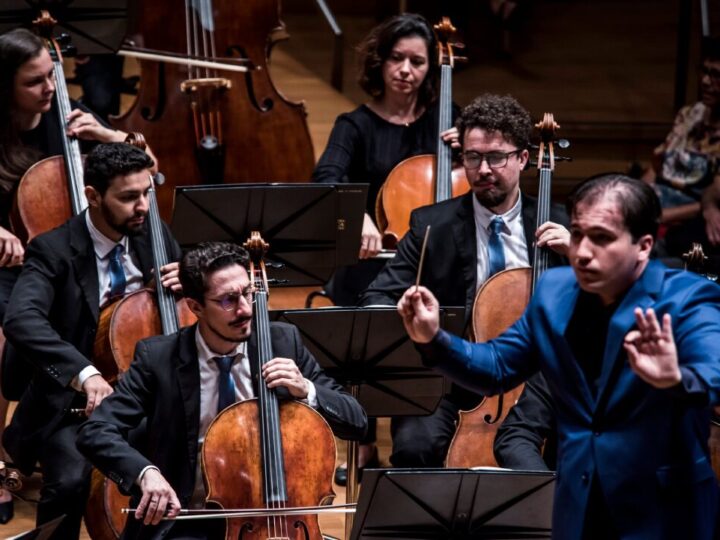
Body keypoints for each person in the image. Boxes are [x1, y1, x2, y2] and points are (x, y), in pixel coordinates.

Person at [399, 173, 720, 539]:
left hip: (663, 514)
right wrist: (433, 338)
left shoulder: (688, 298)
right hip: (577, 509)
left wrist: (674, 378)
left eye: (602, 239)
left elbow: (714, 372)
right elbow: (497, 367)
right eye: (579, 234)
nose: (582, 252)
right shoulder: (554, 291)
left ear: (644, 246)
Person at [77, 241, 368, 540]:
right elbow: (96, 431)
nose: (244, 309)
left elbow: (356, 421)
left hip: (275, 518)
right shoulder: (159, 358)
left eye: (247, 293)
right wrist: (145, 473)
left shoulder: (283, 342)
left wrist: (307, 390)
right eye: (228, 300)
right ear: (195, 306)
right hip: (186, 522)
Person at [360, 93, 569, 468]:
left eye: (496, 157)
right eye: (473, 157)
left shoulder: (557, 222)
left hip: (538, 384)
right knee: (413, 447)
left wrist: (579, 257)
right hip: (451, 377)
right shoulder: (431, 225)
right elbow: (377, 298)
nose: (483, 168)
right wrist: (408, 309)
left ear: (523, 158)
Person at [1, 143, 181, 540]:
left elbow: (184, 305)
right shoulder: (53, 249)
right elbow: (21, 318)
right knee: (67, 485)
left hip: (147, 397)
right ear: (93, 196)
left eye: (147, 192)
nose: (143, 207)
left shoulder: (152, 232)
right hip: (77, 408)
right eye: (129, 197)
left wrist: (190, 282)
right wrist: (84, 374)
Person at [312, 13, 459, 481]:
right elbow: (327, 179)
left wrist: (466, 150)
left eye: (418, 61)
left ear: (429, 70)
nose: (406, 70)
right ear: (380, 62)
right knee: (364, 330)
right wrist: (358, 215)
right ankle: (361, 438)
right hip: (373, 261)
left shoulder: (446, 125)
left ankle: (420, 426)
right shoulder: (354, 124)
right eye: (397, 58)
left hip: (430, 264)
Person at [642, 37, 720, 262]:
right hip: (655, 209)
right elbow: (656, 168)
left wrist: (660, 216)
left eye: (715, 75)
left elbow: (712, 198)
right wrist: (635, 199)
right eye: (703, 71)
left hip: (685, 219)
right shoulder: (690, 114)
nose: (705, 81)